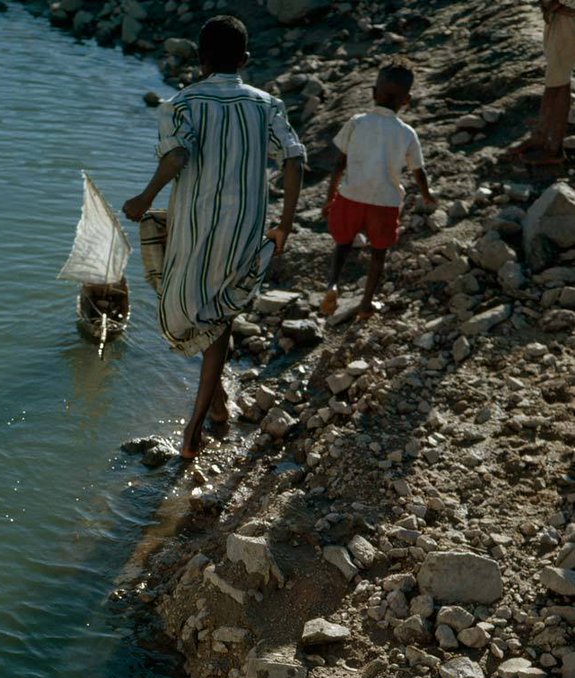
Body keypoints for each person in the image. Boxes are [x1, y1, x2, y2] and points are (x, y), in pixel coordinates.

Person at [122, 15, 305, 459]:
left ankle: (197, 424)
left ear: (200, 59)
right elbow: (295, 160)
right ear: (243, 59)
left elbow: (179, 154)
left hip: (194, 229)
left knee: (197, 312)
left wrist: (145, 197)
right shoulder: (266, 104)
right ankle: (218, 404)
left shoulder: (181, 104)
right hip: (243, 231)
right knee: (219, 314)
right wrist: (285, 222)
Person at [321, 61, 435, 321]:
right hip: (385, 202)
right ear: (407, 100)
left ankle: (333, 285)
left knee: (343, 243)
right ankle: (366, 303)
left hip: (351, 196)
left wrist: (330, 199)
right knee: (378, 254)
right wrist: (428, 196)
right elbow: (419, 171)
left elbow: (338, 164)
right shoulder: (407, 133)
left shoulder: (357, 122)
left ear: (374, 93)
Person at [508, 0, 574, 164]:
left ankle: (553, 147)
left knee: (557, 80)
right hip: (559, 13)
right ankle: (542, 136)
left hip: (566, 12)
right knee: (555, 79)